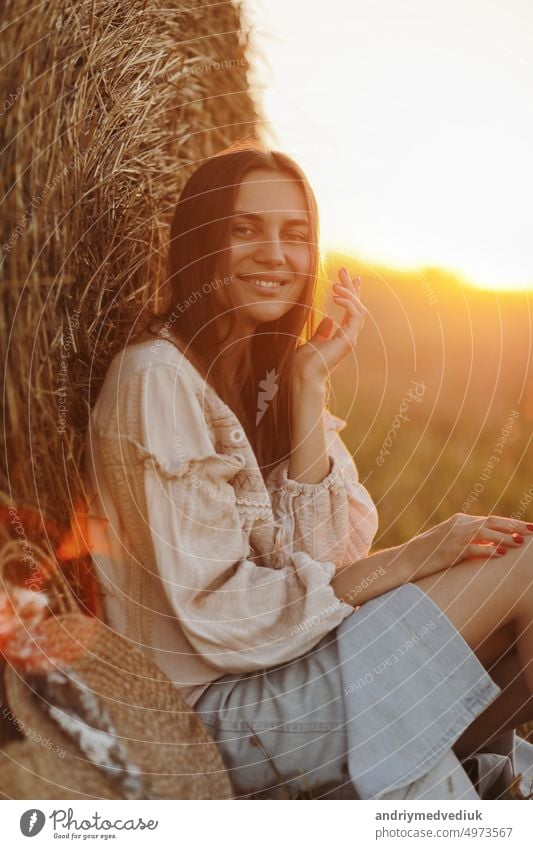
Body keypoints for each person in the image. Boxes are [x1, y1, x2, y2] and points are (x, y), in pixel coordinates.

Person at [84, 138, 533, 800]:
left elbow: (323, 562)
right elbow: (227, 611)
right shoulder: (156, 379)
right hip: (207, 718)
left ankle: (468, 768)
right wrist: (410, 556)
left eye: (295, 235)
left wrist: (307, 385)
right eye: (245, 229)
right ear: (200, 243)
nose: (275, 253)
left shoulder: (260, 383)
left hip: (277, 675)